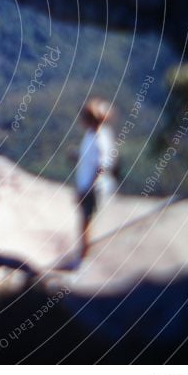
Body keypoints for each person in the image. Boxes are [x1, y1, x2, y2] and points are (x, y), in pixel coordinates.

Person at [74, 97, 115, 260]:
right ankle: (84, 252)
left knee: (86, 221)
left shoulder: (99, 138)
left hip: (91, 187)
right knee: (85, 220)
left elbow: (101, 166)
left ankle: (84, 256)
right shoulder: (93, 135)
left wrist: (88, 188)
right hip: (86, 184)